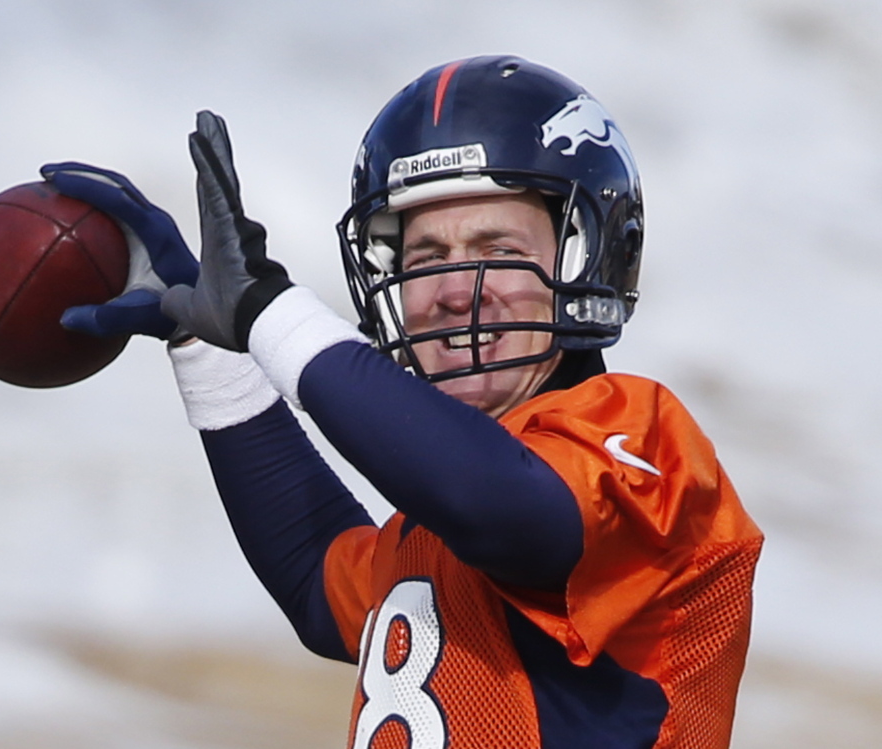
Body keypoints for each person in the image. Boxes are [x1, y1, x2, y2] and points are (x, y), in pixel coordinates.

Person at [42, 55, 763, 749]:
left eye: (494, 248)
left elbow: (503, 505)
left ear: (580, 259)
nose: (455, 290)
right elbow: (316, 575)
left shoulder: (644, 444)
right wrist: (206, 346)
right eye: (425, 260)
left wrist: (267, 312)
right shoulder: (439, 514)